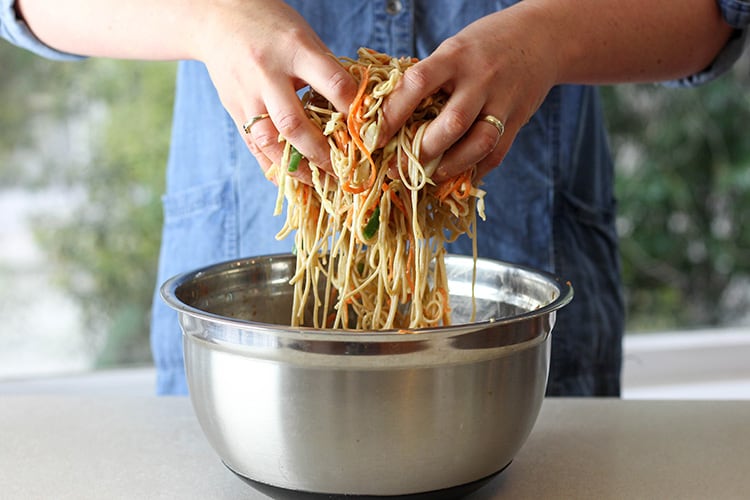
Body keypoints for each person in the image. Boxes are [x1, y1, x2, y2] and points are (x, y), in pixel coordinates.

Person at [2, 1, 747, 396]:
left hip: (521, 326)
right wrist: (206, 17)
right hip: (246, 351)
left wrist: (548, 36)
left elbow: (719, 11)